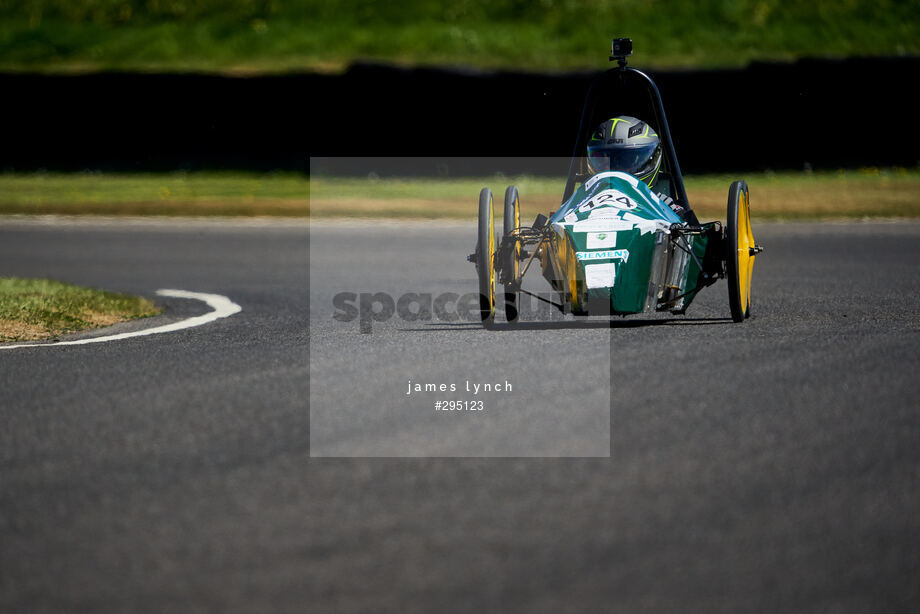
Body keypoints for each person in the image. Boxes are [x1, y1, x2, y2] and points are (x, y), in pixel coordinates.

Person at [586, 115, 694, 222]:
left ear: (653, 158)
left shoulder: (667, 209)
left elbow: (695, 233)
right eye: (605, 162)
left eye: (626, 161)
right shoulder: (580, 204)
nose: (615, 170)